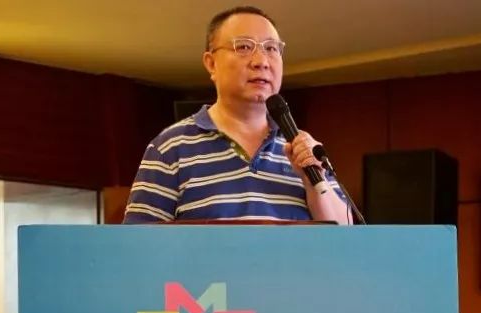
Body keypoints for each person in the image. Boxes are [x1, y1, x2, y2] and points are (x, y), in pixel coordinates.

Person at [122, 6, 351, 224]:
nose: (261, 62)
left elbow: (347, 237)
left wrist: (314, 182)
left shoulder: (303, 148)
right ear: (211, 63)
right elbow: (139, 243)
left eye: (271, 48)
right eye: (243, 47)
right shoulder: (169, 148)